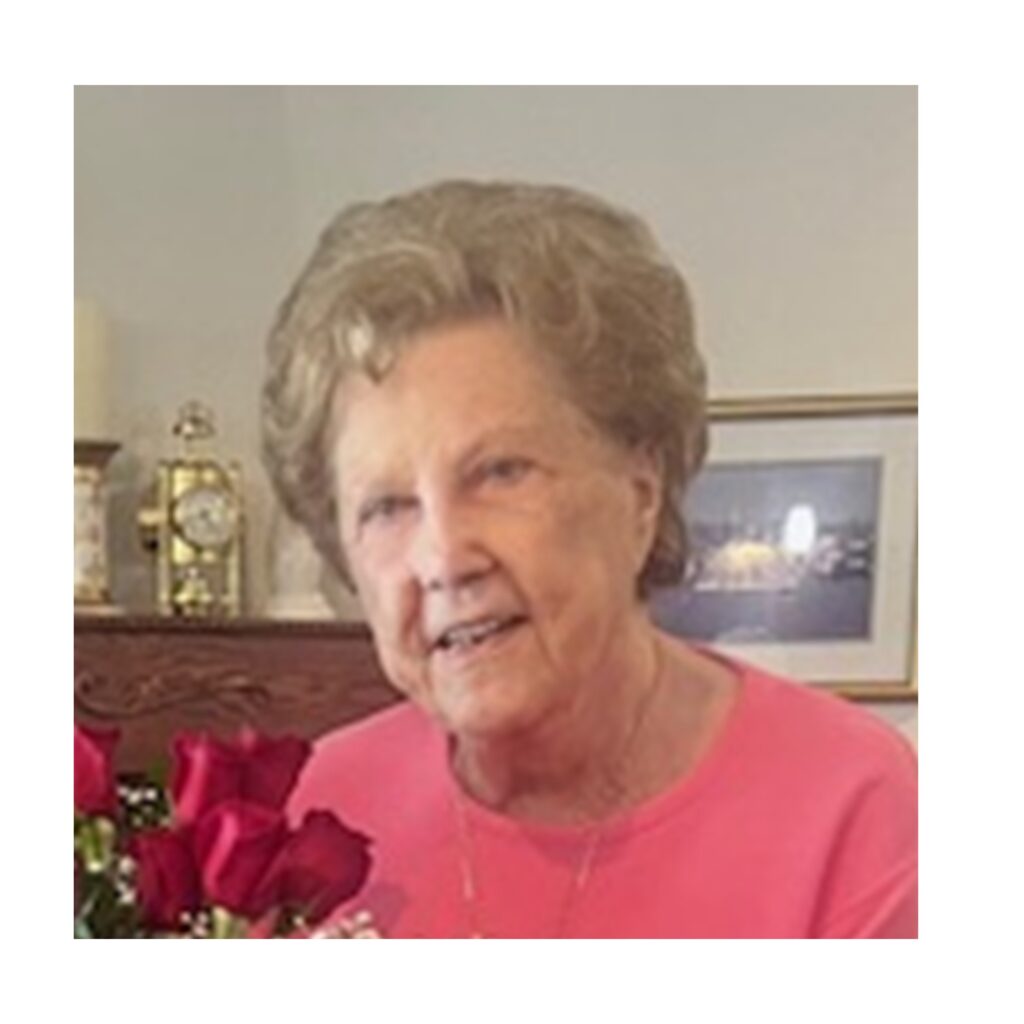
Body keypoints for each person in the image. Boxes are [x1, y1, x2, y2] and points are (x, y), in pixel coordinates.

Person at [261, 180, 917, 938]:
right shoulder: (313, 813)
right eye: (386, 507)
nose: (443, 557)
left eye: (500, 472)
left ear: (641, 492)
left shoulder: (854, 807)